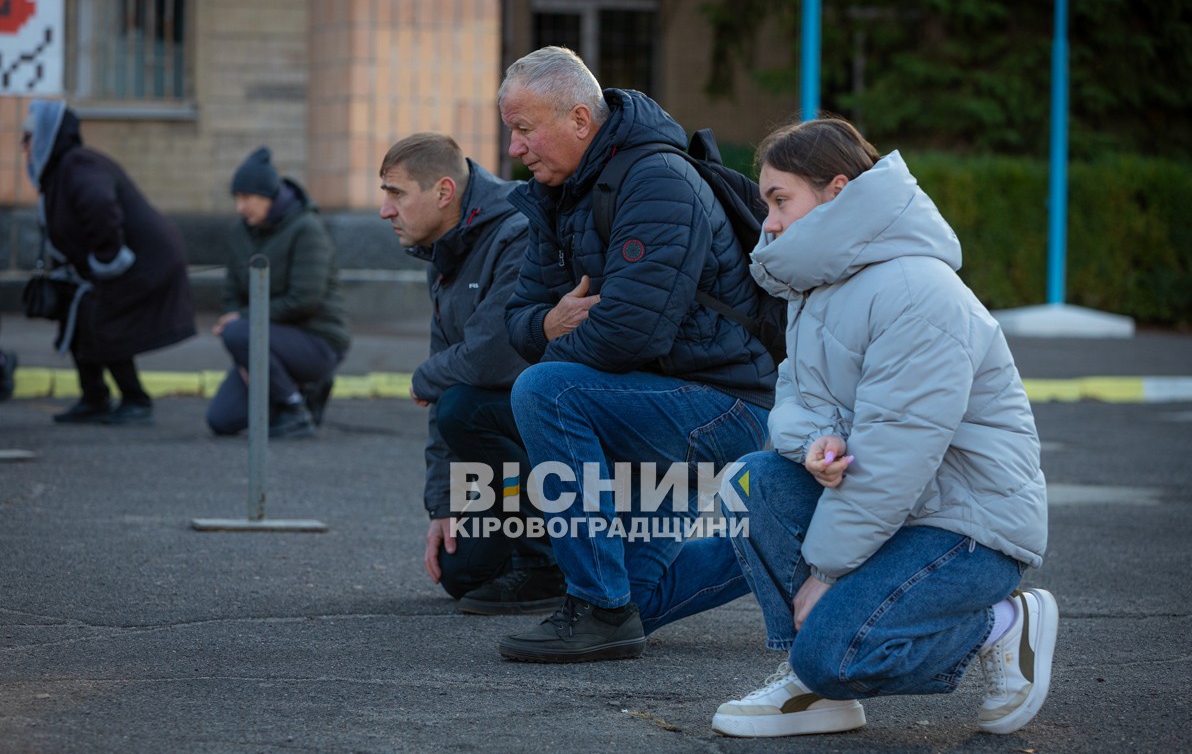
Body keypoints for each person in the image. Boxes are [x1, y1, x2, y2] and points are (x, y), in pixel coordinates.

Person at [710, 118, 1055, 738]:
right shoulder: (819, 291)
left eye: (781, 199)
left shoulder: (917, 291)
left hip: (966, 529)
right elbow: (788, 401)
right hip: (897, 514)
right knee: (753, 478)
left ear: (837, 192)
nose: (770, 221)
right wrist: (813, 443)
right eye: (767, 203)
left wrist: (827, 572)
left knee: (833, 653)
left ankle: (1001, 624)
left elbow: (898, 454)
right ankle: (820, 688)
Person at [495, 46, 777, 663]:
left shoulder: (657, 180)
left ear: (578, 120)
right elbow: (514, 321)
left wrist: (550, 337)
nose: (514, 149)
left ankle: (596, 606)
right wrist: (549, 320)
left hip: (723, 405)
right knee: (639, 601)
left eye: (523, 129)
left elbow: (630, 334)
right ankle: (788, 539)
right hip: (653, 399)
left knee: (546, 391)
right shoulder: (560, 194)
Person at [378, 133, 563, 614]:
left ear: (443, 192)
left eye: (395, 193)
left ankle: (551, 561)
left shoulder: (517, 232)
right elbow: (451, 378)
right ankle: (539, 551)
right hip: (512, 431)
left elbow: (493, 355)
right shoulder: (443, 249)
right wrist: (443, 504)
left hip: (563, 426)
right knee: (463, 574)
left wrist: (423, 378)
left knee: (464, 407)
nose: (384, 210)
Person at [23, 100, 195, 424]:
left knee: (103, 321)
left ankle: (136, 401)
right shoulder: (59, 172)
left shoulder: (78, 164)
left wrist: (107, 258)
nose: (25, 146)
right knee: (80, 316)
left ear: (49, 135)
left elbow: (100, 206)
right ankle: (94, 398)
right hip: (122, 260)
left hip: (143, 261)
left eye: (29, 136)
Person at [206, 147, 350, 439]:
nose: (240, 207)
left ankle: (293, 407)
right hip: (267, 339)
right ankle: (298, 390)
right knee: (221, 419)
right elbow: (232, 293)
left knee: (236, 332)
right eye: (237, 198)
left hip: (317, 341)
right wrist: (250, 355)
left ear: (269, 196)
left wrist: (245, 330)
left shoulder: (307, 229)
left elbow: (305, 299)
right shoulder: (240, 232)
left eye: (247, 198)